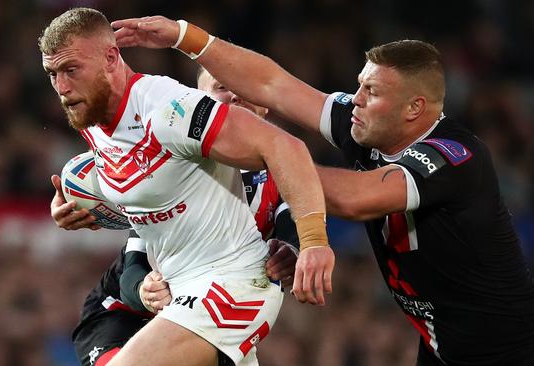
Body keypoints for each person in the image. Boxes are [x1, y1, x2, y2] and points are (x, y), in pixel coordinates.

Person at [111, 16, 534, 366]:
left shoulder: (455, 155)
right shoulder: (366, 126)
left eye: (372, 92)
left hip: (506, 350)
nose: (357, 100)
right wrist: (188, 37)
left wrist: (270, 157)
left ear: (414, 109)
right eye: (360, 85)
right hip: (440, 343)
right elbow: (275, 85)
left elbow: (355, 197)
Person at [41, 8, 335, 366]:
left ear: (111, 58)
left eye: (71, 70)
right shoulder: (93, 114)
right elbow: (161, 191)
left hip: (231, 286)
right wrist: (86, 209)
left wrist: (313, 241)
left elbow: (286, 148)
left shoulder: (167, 110)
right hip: (182, 289)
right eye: (52, 74)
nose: (62, 86)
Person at [68, 66, 300, 366]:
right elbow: (131, 267)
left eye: (241, 86)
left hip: (202, 299)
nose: (232, 95)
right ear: (197, 102)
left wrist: (293, 251)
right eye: (219, 87)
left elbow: (295, 226)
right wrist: (143, 290)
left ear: (263, 102)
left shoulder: (281, 174)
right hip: (123, 314)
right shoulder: (173, 163)